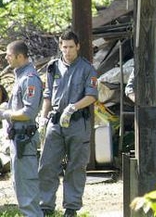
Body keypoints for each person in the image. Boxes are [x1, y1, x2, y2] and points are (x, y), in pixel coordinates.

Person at [38, 30, 98, 217]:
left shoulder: (87, 68)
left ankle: (71, 208)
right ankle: (45, 206)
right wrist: (43, 117)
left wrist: (73, 107)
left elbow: (92, 96)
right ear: (60, 46)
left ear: (78, 46)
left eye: (71, 47)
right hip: (55, 122)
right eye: (64, 47)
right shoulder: (53, 67)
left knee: (76, 166)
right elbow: (48, 95)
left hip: (77, 122)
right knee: (47, 164)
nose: (68, 51)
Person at [0, 40, 44, 216]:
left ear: (19, 56)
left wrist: (6, 114)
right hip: (18, 139)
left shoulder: (29, 79)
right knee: (20, 185)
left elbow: (28, 112)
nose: (7, 59)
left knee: (26, 185)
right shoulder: (21, 76)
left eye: (9, 56)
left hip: (24, 139)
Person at [125, 37, 156, 183]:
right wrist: (153, 102)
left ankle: (144, 184)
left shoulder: (140, 67)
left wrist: (141, 102)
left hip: (142, 115)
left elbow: (128, 89)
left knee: (143, 149)